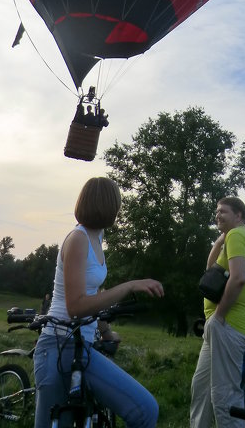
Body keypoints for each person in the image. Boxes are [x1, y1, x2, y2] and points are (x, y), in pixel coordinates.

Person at [33, 177, 164, 428]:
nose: (118, 210)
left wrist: (104, 330)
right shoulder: (78, 239)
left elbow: (92, 295)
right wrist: (129, 286)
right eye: (117, 204)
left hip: (83, 345)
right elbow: (76, 306)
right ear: (107, 205)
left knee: (145, 409)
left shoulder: (97, 236)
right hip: (57, 344)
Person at [190, 197, 245, 428]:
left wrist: (219, 316)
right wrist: (221, 239)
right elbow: (210, 270)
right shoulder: (242, 242)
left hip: (227, 324)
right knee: (201, 388)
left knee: (224, 397)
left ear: (239, 216)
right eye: (216, 211)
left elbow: (239, 278)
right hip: (221, 327)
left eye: (223, 211)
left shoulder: (238, 235)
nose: (217, 215)